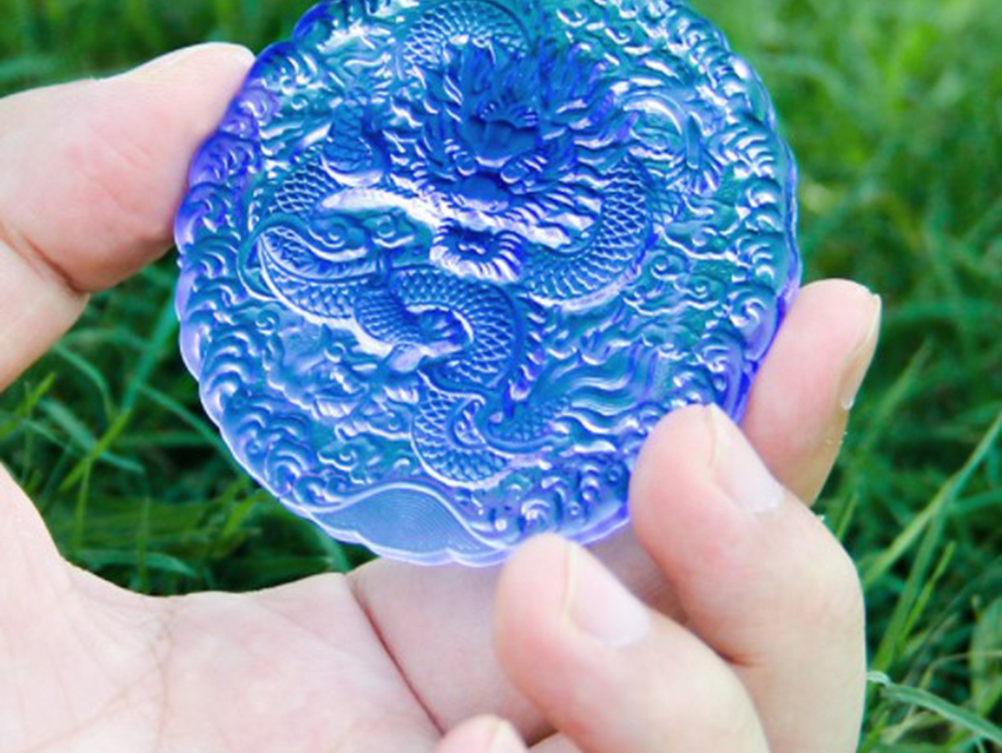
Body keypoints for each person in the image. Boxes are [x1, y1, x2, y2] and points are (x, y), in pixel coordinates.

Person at [0, 44, 880, 753]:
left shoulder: (603, 211)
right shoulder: (365, 163)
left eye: (512, 168)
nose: (486, 176)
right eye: (469, 155)